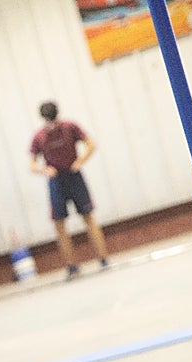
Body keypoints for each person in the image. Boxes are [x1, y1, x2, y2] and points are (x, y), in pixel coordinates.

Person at [29, 100, 109, 279]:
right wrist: (44, 170)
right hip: (56, 180)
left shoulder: (70, 127)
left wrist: (80, 161)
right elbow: (32, 163)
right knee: (59, 223)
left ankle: (103, 258)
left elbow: (91, 144)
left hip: (74, 176)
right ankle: (72, 266)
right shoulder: (40, 136)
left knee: (88, 215)